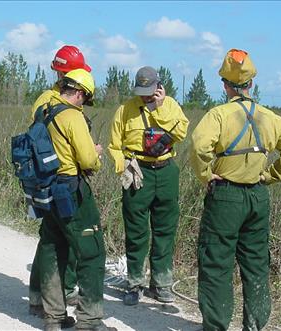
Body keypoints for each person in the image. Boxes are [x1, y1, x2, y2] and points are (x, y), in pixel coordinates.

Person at [189, 49, 281, 331]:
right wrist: (269, 176)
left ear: (225, 85)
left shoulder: (218, 115)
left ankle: (216, 326)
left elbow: (199, 146)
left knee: (216, 263)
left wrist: (206, 175)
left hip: (226, 196)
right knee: (256, 264)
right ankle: (254, 326)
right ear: (251, 83)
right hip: (257, 196)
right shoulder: (270, 117)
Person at [36, 69, 116, 331]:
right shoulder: (73, 116)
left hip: (47, 190)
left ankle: (54, 318)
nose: (85, 103)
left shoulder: (44, 111)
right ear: (80, 93)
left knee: (52, 248)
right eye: (86, 99)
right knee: (92, 253)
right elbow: (87, 160)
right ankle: (90, 321)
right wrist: (97, 153)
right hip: (71, 189)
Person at [108, 66, 189, 306]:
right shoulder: (125, 110)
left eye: (149, 90)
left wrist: (159, 108)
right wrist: (124, 167)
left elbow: (182, 131)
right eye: (141, 91)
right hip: (137, 171)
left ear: (159, 86)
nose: (144, 95)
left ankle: (161, 284)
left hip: (166, 172)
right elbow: (114, 145)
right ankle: (134, 283)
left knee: (165, 230)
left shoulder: (171, 105)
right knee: (136, 231)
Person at [29, 45, 91, 317]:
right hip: (62, 176)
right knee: (60, 239)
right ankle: (55, 295)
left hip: (48, 176)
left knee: (50, 238)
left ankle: (42, 297)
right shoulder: (59, 103)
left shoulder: (47, 98)